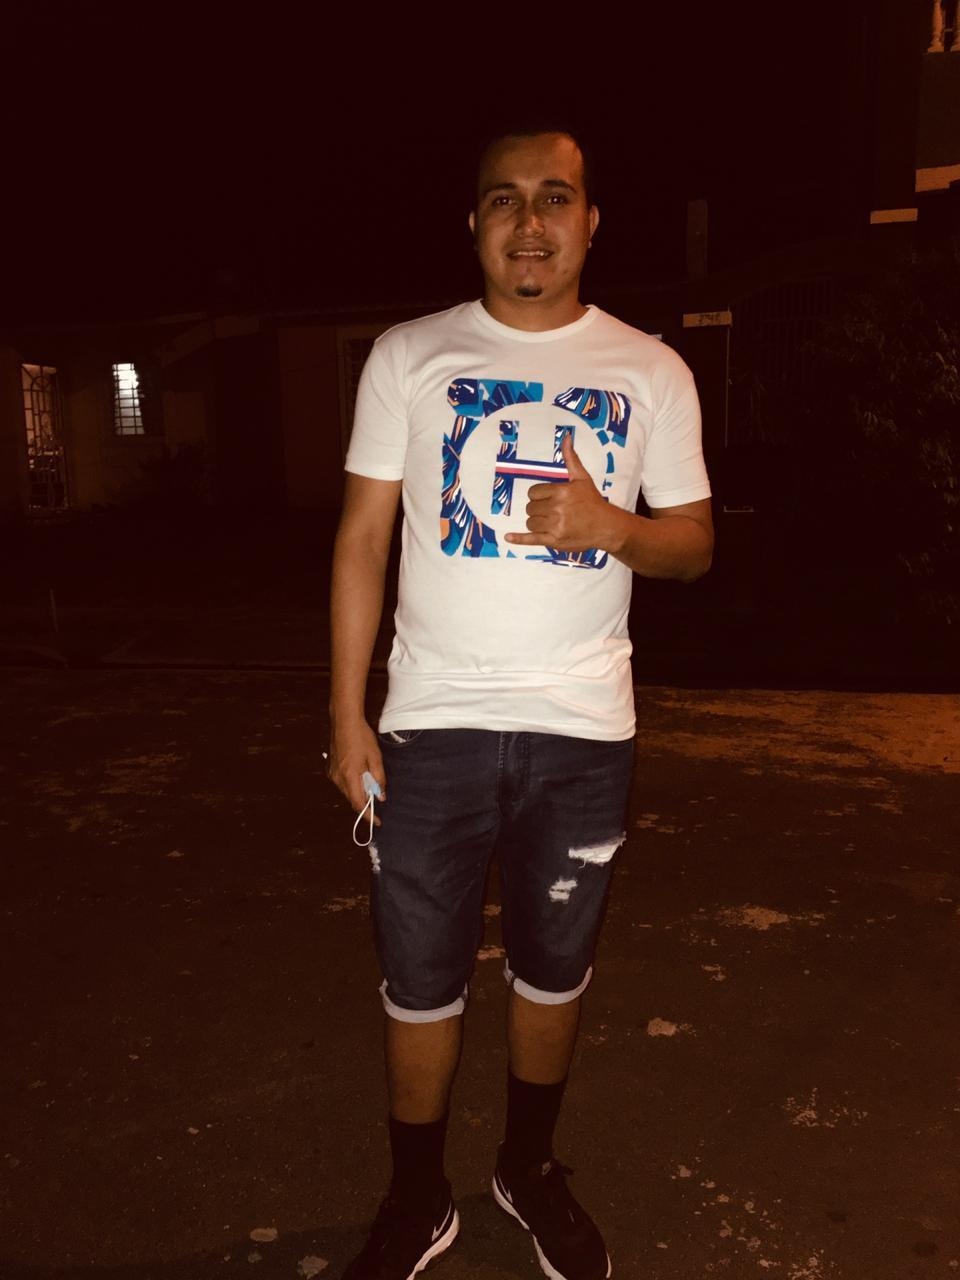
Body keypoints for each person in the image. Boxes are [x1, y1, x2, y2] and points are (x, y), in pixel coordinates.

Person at [328, 125, 713, 1280]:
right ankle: (416, 1195)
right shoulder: (409, 353)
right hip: (429, 726)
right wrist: (345, 712)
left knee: (554, 969)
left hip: (582, 733)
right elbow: (362, 540)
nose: (530, 221)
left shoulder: (651, 370)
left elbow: (694, 544)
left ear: (591, 221)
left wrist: (611, 526)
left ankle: (527, 1167)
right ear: (474, 223)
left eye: (555, 197)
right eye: (504, 199)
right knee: (419, 980)